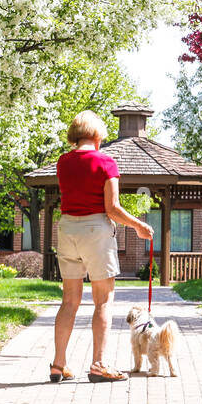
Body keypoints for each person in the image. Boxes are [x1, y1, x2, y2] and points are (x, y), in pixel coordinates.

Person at [49, 110, 154, 383]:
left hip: (67, 228)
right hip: (95, 230)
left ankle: (58, 364)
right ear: (97, 136)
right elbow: (112, 208)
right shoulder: (106, 162)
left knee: (69, 301)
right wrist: (138, 226)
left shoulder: (63, 162)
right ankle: (98, 365)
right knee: (103, 302)